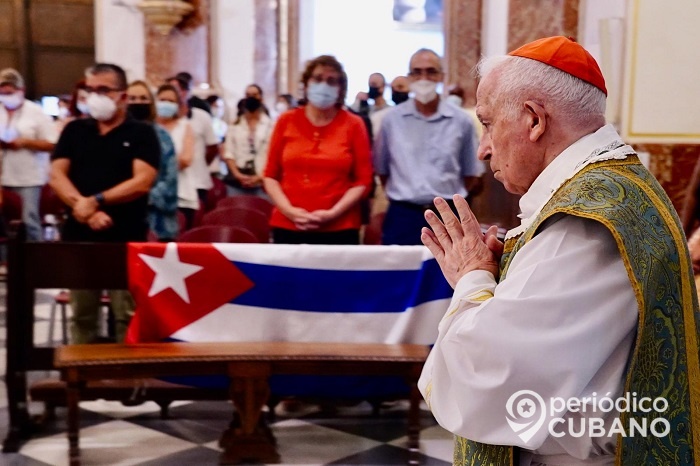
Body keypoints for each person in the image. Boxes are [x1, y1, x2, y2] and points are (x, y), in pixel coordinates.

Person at [418, 36, 700, 465]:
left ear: (533, 120)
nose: (483, 148)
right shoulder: (616, 189)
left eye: (489, 123)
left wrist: (473, 275)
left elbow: (486, 378)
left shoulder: (586, 222)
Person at [50, 63, 160, 344]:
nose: (94, 96)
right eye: (90, 90)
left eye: (103, 90)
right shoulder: (75, 130)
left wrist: (96, 201)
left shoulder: (142, 133)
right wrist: (85, 211)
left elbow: (142, 181)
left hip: (125, 234)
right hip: (79, 235)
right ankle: (82, 380)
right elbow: (57, 174)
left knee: (126, 314)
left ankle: (125, 380)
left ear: (122, 95)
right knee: (82, 314)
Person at [374, 49, 484, 245]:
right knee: (400, 274)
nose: (423, 78)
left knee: (448, 274)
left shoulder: (461, 121)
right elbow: (382, 170)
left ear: (441, 76)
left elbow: (471, 174)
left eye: (431, 71)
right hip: (402, 216)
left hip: (448, 215)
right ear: (409, 78)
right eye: (417, 72)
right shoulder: (391, 120)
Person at [263, 55, 373, 245]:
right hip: (288, 224)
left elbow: (363, 180)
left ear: (340, 89)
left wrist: (332, 213)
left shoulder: (354, 124)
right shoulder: (286, 121)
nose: (324, 85)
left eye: (331, 81)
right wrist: (289, 211)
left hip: (340, 226)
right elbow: (270, 175)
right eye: (318, 78)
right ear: (306, 85)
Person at [0, 68, 58, 241]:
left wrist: (26, 142)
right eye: (2, 93)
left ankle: (35, 260)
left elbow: (52, 144)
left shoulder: (36, 112)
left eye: (9, 93)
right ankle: (6, 260)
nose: (5, 97)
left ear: (21, 91)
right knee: (3, 223)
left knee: (29, 221)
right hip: (3, 175)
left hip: (29, 178)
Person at [127, 80, 179, 241]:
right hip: (122, 213)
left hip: (158, 215)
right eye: (133, 98)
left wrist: (145, 195)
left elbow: (170, 176)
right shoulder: (117, 135)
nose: (138, 103)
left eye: (143, 98)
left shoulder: (162, 136)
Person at [167, 75, 219, 206]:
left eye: (174, 90)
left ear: (185, 92)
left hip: (197, 181)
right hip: (169, 183)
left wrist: (200, 163)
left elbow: (213, 148)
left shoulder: (201, 116)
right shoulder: (160, 120)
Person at [154, 84, 198, 231]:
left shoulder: (185, 126)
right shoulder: (147, 127)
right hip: (152, 195)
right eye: (162, 99)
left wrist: (154, 163)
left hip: (181, 195)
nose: (166, 103)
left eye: (171, 101)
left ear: (178, 105)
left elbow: (186, 159)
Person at [223, 84, 274, 198]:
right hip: (236, 182)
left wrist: (260, 176)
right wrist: (237, 174)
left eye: (254, 95)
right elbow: (229, 152)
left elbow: (274, 154)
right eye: (248, 95)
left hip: (263, 182)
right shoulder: (235, 125)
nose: (251, 97)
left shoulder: (271, 125)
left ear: (261, 98)